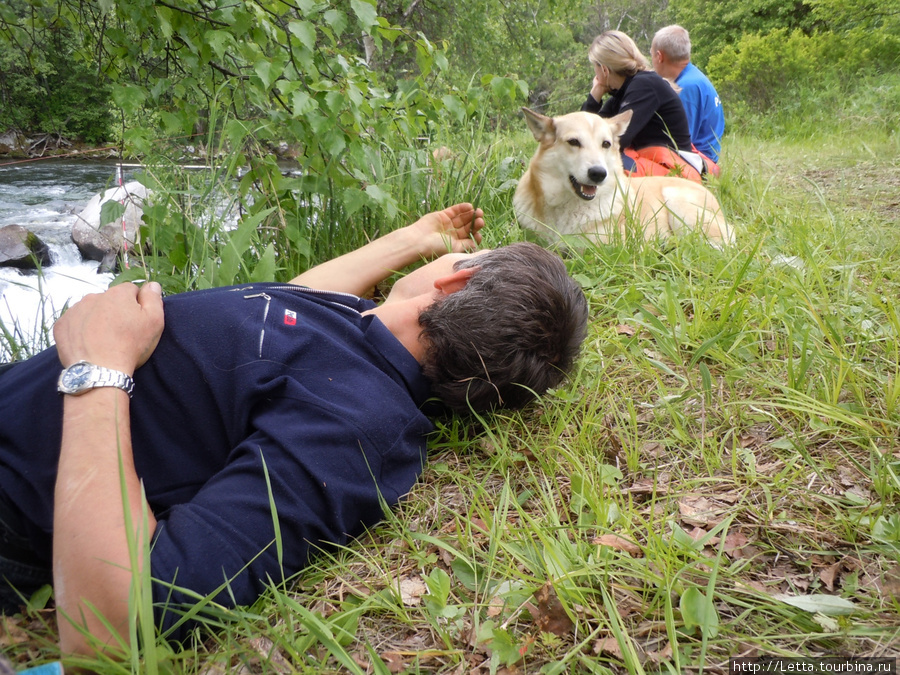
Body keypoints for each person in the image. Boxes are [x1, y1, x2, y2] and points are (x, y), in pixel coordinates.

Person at [0, 204, 589, 657]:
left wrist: (98, 369)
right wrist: (416, 238)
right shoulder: (357, 330)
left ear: (454, 284)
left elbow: (123, 623)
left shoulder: (356, 425)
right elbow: (297, 298)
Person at [582, 30, 704, 182]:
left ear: (604, 70)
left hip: (676, 170)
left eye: (595, 66)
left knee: (611, 161)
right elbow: (582, 132)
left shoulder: (644, 85)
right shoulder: (624, 93)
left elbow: (619, 140)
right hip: (658, 163)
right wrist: (595, 96)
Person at [651, 24, 725, 175]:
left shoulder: (686, 87)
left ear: (659, 56)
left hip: (699, 163)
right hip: (704, 156)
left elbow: (680, 141)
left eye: (651, 54)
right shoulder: (693, 77)